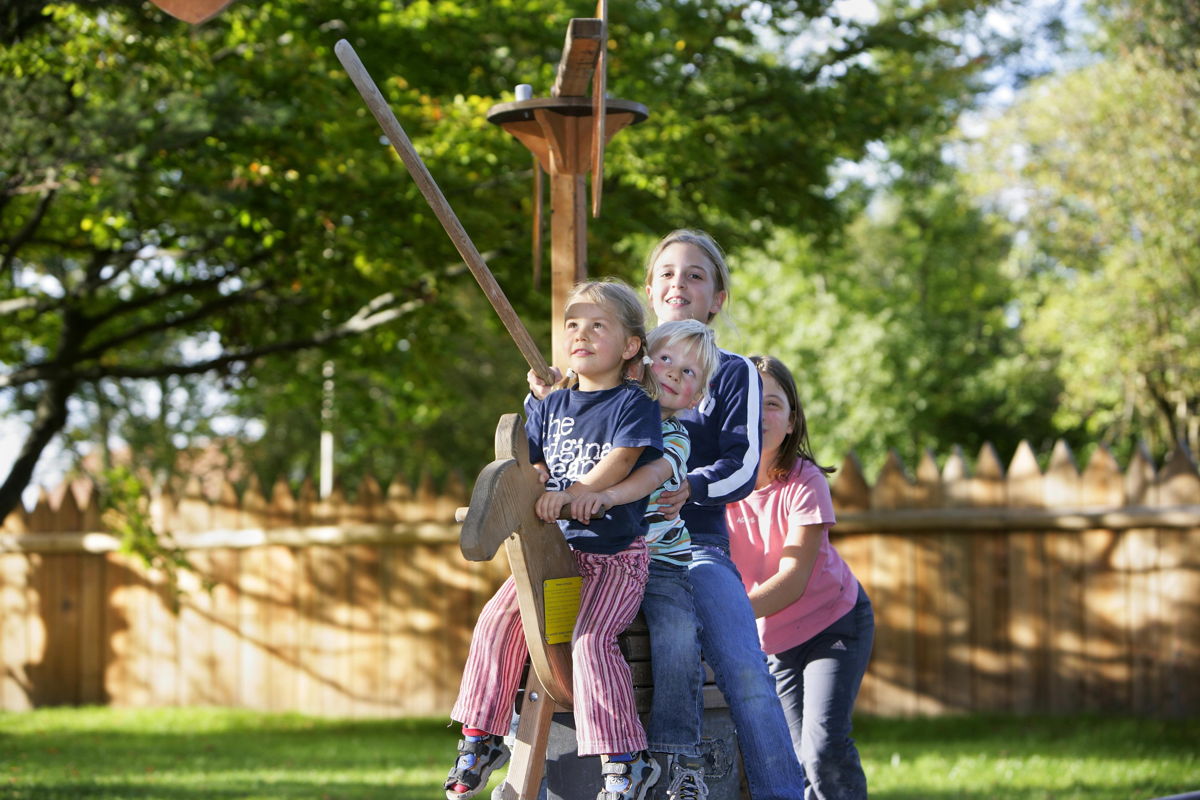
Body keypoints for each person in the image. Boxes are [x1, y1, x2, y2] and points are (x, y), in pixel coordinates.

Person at [531, 230, 808, 800]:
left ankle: (780, 790)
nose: (678, 283)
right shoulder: (626, 365)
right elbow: (572, 427)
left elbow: (745, 464)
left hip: (693, 547)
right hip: (600, 542)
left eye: (696, 275)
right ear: (650, 290)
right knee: (531, 626)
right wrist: (548, 396)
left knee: (745, 671)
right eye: (666, 273)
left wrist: (690, 486)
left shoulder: (730, 373)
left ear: (718, 299)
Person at [445, 279, 665, 800]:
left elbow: (625, 459)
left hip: (613, 559)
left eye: (597, 325)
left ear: (630, 346)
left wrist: (586, 492)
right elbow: (536, 463)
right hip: (555, 557)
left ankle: (625, 759)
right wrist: (542, 486)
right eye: (573, 324)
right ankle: (481, 735)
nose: (580, 334)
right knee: (497, 622)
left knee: (591, 641)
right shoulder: (550, 405)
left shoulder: (631, 405)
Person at [565, 318, 722, 800]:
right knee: (547, 619)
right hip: (599, 559)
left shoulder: (674, 435)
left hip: (659, 564)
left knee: (676, 633)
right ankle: (510, 723)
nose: (675, 373)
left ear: (695, 398)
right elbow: (562, 418)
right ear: (638, 364)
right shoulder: (608, 417)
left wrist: (604, 493)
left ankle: (679, 755)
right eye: (667, 359)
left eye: (690, 372)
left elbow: (651, 474)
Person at [725, 356, 874, 800]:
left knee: (822, 746)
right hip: (776, 641)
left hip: (835, 625)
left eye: (773, 404)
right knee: (793, 756)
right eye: (750, 402)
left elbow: (793, 579)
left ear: (792, 422)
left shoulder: (805, 482)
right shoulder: (715, 487)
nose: (760, 414)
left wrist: (727, 615)